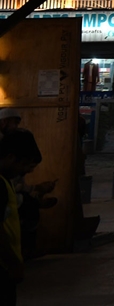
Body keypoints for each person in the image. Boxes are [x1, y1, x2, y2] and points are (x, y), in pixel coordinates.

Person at [0, 131, 41, 305]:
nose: (24, 171)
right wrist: (13, 262)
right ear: (10, 157)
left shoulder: (5, 180)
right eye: (24, 165)